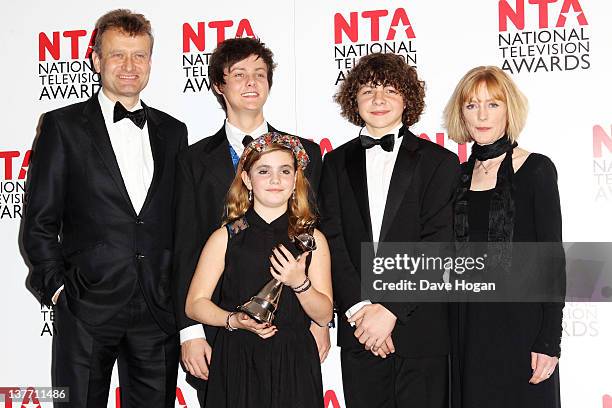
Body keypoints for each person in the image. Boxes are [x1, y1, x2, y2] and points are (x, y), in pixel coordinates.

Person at [23, 9, 186, 408]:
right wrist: (60, 290)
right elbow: (39, 220)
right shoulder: (63, 126)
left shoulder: (174, 131)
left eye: (139, 55)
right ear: (96, 59)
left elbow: (182, 220)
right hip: (86, 306)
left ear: (151, 61)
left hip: (157, 308)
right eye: (117, 55)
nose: (129, 66)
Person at [172, 37, 327, 405]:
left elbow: (316, 235)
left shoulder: (308, 152)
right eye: (238, 74)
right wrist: (190, 332)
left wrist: (321, 322)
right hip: (222, 336)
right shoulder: (191, 161)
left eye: (260, 73)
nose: (251, 82)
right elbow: (182, 246)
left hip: (293, 334)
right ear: (218, 85)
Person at [320, 52, 460, 408]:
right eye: (367, 91)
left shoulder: (439, 161)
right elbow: (332, 242)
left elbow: (440, 241)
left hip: (421, 331)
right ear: (354, 100)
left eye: (390, 90)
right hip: (359, 330)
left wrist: (392, 310)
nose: (378, 100)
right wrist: (362, 311)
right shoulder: (334, 163)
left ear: (407, 98)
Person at [443, 65, 564, 408]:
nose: (481, 115)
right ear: (460, 113)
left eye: (492, 104)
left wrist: (548, 340)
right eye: (471, 105)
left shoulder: (536, 169)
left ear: (509, 109)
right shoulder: (455, 178)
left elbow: (551, 261)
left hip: (522, 330)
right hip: (465, 329)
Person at [185, 132, 333, 408]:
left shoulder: (313, 239)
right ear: (247, 179)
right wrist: (233, 320)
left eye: (284, 171)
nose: (275, 180)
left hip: (295, 361)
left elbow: (324, 314)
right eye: (264, 171)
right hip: (238, 358)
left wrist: (299, 282)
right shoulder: (226, 236)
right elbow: (195, 305)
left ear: (295, 181)